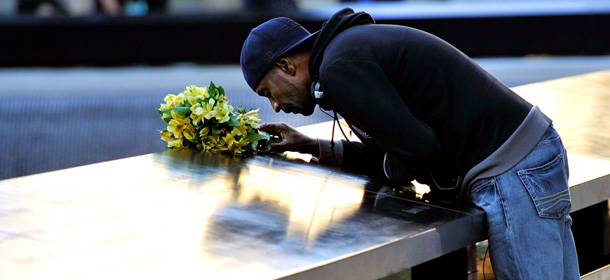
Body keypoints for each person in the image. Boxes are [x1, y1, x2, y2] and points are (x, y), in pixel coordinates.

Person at [239, 8, 579, 279]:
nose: (277, 106)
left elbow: (417, 150)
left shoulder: (340, 68)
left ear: (286, 65)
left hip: (511, 171)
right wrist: (313, 145)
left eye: (269, 92)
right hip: (530, 157)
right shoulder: (349, 50)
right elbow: (400, 146)